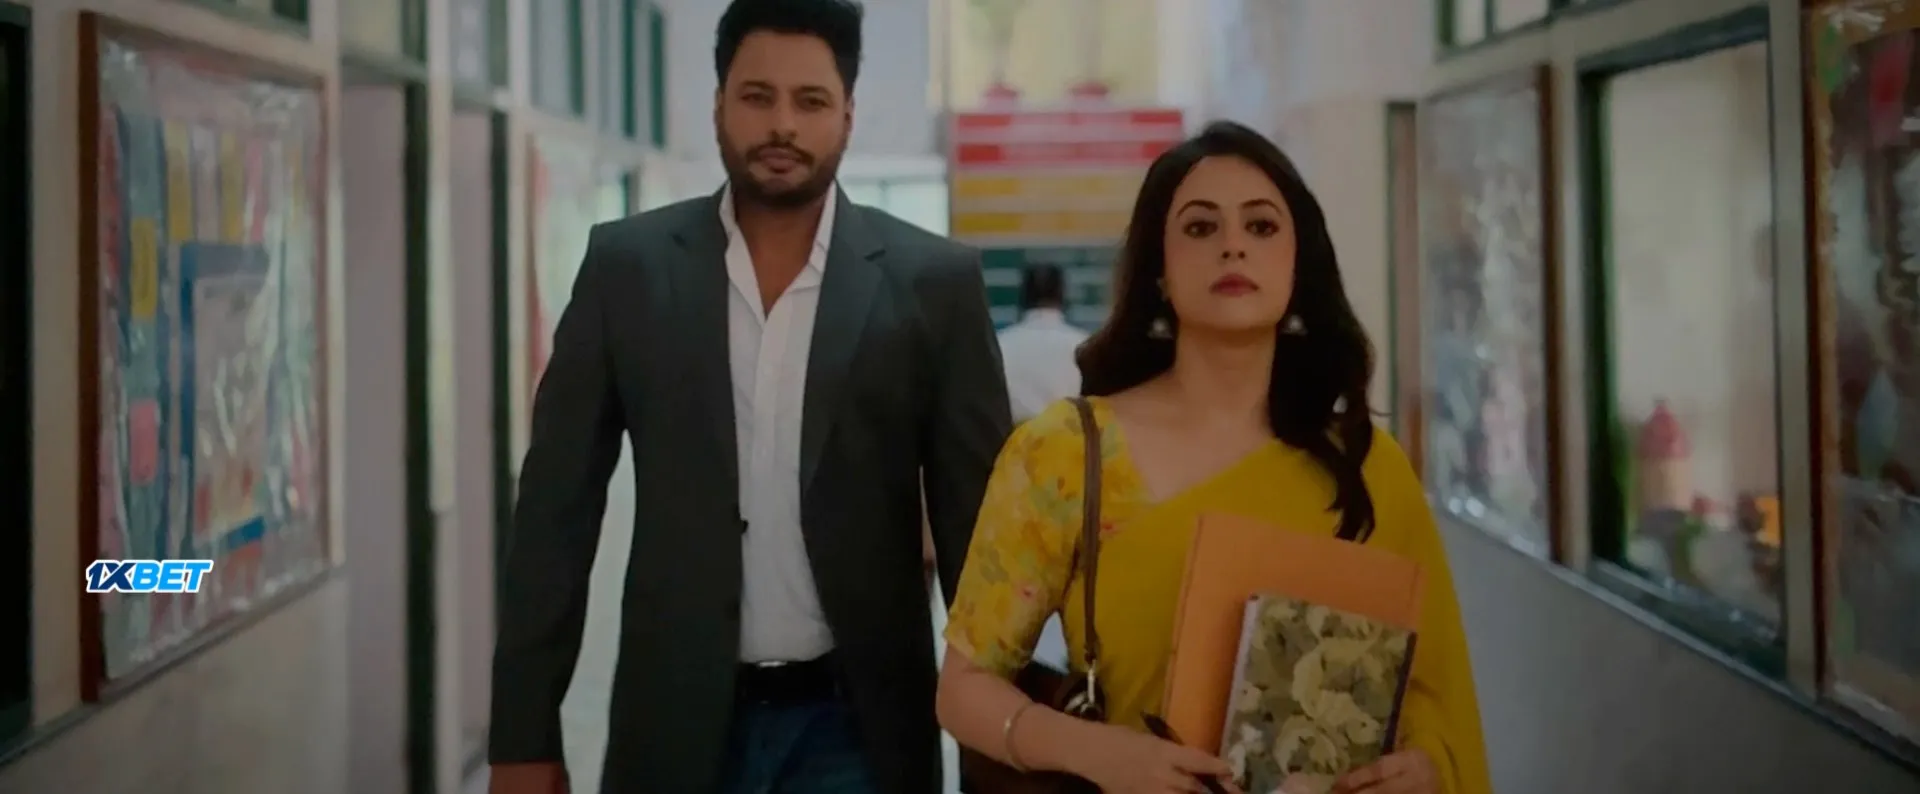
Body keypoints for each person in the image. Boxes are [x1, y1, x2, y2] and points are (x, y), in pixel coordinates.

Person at [488, 0, 1012, 792]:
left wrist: (997, 743)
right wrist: (523, 738)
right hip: (676, 721)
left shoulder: (933, 285)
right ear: (719, 106)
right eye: (757, 96)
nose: (782, 125)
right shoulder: (628, 269)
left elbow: (980, 543)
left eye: (811, 101)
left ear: (847, 115)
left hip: (860, 729)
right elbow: (555, 515)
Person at [934, 121, 1492, 794]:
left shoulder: (1367, 468)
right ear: (1160, 271)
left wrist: (1427, 769)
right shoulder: (1066, 455)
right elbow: (963, 689)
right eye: (1201, 228)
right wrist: (1098, 752)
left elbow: (1434, 695)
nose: (1233, 245)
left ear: (1299, 265)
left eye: (1261, 226)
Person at [999, 264, 1092, 423]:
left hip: (1014, 437)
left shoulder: (1000, 345)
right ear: (1062, 295)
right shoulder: (1085, 346)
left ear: (1022, 296)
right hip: (1073, 436)